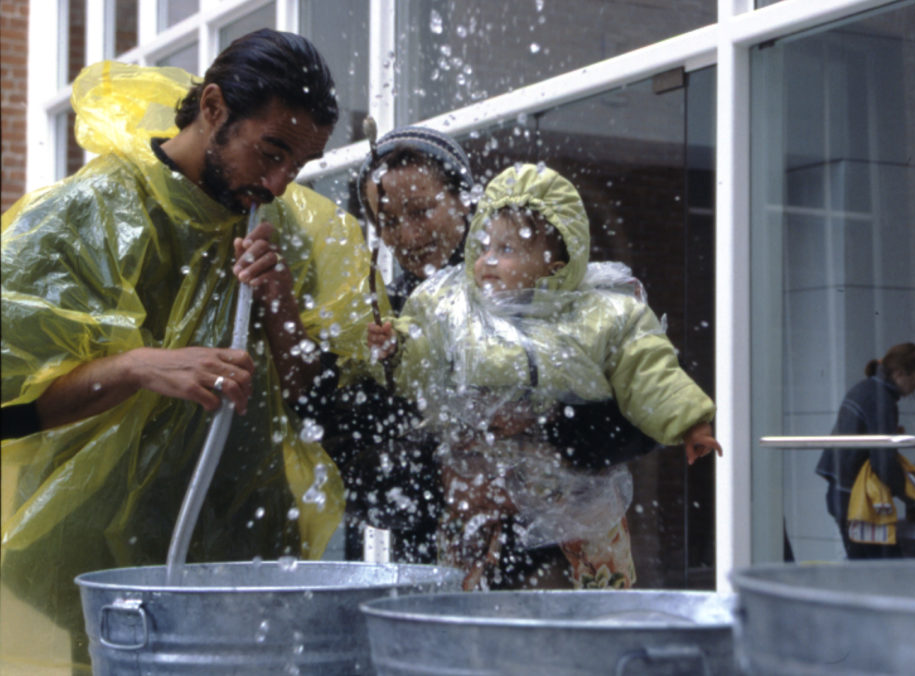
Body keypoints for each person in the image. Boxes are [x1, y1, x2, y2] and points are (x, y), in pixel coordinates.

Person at [1, 30, 376, 672]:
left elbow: (317, 409)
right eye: (272, 151)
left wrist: (282, 303)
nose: (282, 183)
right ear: (212, 108)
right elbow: (9, 410)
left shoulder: (283, 233)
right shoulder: (88, 216)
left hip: (247, 550)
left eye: (300, 165)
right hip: (99, 566)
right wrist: (138, 366)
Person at [288, 128, 656, 570]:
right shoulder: (387, 329)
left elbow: (642, 416)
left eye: (422, 210)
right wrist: (442, 475)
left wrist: (544, 431)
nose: (408, 234)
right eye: (388, 222)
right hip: (439, 571)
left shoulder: (543, 288)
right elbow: (347, 460)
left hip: (564, 560)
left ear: (467, 199)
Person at [368, 163, 722, 590]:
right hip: (483, 482)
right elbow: (420, 352)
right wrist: (394, 350)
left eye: (507, 249)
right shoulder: (454, 308)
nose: (487, 261)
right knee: (466, 569)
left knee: (598, 577)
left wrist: (690, 421)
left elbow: (648, 368)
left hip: (577, 486)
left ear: (556, 264)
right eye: (482, 247)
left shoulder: (599, 313)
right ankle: (459, 614)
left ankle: (599, 620)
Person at [815, 343, 915, 559]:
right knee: (882, 571)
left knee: (866, 567)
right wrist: (914, 500)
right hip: (856, 501)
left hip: (843, 494)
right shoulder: (880, 400)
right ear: (900, 373)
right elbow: (884, 461)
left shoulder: (866, 390)